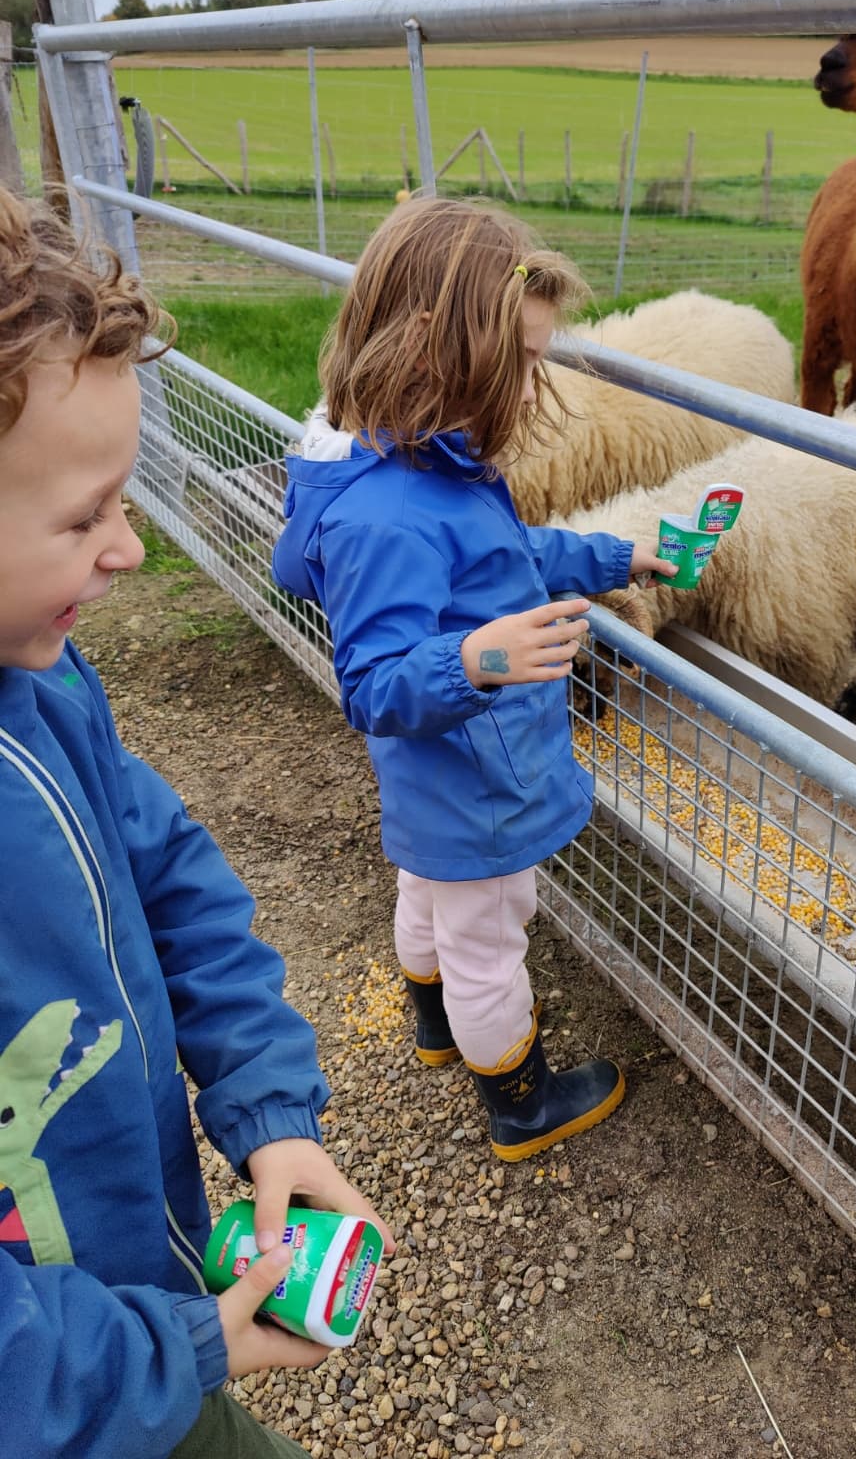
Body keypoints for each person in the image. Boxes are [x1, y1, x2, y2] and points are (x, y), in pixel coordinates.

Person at [0, 188, 393, 1459]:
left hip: (132, 1340)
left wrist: (269, 1107)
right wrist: (180, 1354)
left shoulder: (46, 690)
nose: (130, 550)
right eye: (84, 515)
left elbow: (170, 875)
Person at [272, 197, 677, 1162]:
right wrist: (475, 661)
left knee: (431, 890)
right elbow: (371, 680)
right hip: (477, 770)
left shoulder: (416, 466)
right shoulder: (390, 515)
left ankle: (435, 1026)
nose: (536, 382)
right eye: (524, 360)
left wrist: (609, 556)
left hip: (441, 781)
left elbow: (500, 556)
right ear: (435, 350)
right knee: (492, 931)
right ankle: (520, 1100)